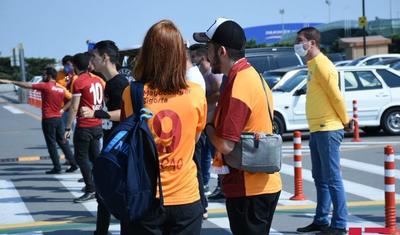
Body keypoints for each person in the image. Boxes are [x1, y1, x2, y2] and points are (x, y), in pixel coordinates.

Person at [194, 18, 282, 234]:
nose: (206, 54)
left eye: (209, 48)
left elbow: (225, 144)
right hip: (258, 184)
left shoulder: (239, 84)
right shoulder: (251, 75)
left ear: (221, 51)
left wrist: (207, 125)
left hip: (248, 187)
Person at [121, 19, 207, 234]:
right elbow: (193, 141)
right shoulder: (196, 93)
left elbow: (127, 138)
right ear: (180, 53)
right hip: (186, 197)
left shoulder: (132, 93)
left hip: (144, 196)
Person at [295, 27, 351, 235]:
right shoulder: (312, 65)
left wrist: (345, 120)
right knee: (320, 178)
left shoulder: (323, 65)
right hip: (318, 128)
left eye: (300, 40)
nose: (297, 44)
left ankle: (339, 224)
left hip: (328, 128)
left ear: (312, 43)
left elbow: (336, 96)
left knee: (332, 179)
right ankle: (321, 220)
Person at [80, 40, 129, 235]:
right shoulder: (109, 83)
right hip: (110, 142)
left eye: (94, 56)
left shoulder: (120, 84)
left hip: (119, 147)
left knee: (116, 194)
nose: (90, 60)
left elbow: (125, 114)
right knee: (103, 193)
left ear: (105, 58)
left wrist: (96, 113)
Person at [0, 67, 78, 174]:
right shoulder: (60, 88)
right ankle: (74, 164)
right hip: (58, 119)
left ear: (49, 76)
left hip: (48, 119)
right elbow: (72, 99)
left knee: (51, 144)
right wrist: (63, 110)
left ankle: (57, 167)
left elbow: (27, 85)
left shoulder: (46, 86)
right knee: (63, 142)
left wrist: (12, 81)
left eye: (44, 75)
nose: (43, 77)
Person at [64, 52, 105, 203]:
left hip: (85, 125)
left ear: (74, 66)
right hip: (97, 124)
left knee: (81, 158)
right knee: (95, 157)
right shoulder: (98, 80)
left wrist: (67, 128)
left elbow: (74, 108)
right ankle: (99, 185)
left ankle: (90, 188)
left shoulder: (79, 81)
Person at [189, 43, 223, 198]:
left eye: (194, 56)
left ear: (202, 57)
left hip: (214, 120)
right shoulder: (201, 74)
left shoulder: (212, 74)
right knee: (208, 156)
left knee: (216, 155)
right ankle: (208, 184)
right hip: (207, 120)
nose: (192, 58)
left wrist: (202, 100)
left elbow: (219, 93)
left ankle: (221, 185)